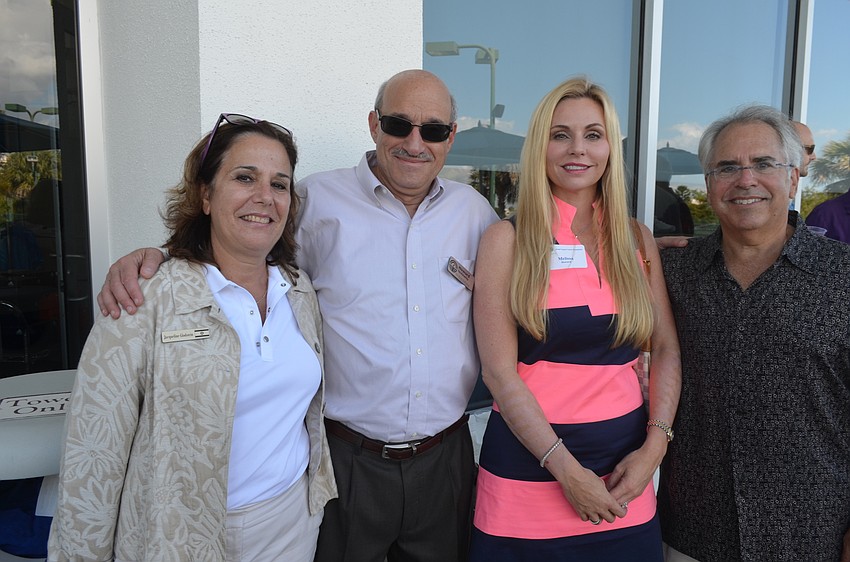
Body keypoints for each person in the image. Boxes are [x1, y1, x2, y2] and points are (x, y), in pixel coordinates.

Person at [94, 70, 499, 562]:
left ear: (450, 137)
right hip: (346, 462)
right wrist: (156, 258)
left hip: (445, 460)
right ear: (374, 124)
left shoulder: (477, 215)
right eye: (398, 124)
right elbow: (239, 250)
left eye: (433, 130)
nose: (415, 143)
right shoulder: (310, 200)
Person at [48, 114, 336, 561]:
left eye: (280, 185)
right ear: (205, 194)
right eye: (245, 178)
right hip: (177, 535)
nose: (265, 197)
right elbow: (93, 454)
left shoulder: (298, 291)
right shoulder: (144, 298)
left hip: (292, 522)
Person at [469, 77, 681, 561]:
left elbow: (665, 348)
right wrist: (566, 471)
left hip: (625, 474)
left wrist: (655, 448)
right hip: (528, 474)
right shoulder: (506, 240)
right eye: (560, 134)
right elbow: (499, 373)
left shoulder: (635, 239)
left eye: (593, 134)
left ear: (610, 146)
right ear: (540, 145)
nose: (577, 149)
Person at [657, 105, 850, 562]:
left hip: (811, 539)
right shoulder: (673, 274)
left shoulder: (843, 278)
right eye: (727, 167)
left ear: (794, 178)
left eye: (764, 164)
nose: (746, 179)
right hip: (691, 535)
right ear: (708, 184)